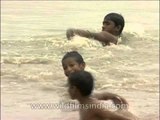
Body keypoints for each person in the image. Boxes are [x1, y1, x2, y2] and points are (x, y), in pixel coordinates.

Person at [61, 51, 128, 108]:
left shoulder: (88, 79)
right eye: (65, 68)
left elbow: (98, 94)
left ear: (82, 65)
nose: (68, 69)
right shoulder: (70, 83)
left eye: (72, 65)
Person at [68, 71, 136, 120]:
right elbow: (105, 95)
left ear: (74, 89)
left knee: (123, 113)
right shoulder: (88, 98)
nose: (68, 90)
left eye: (69, 86)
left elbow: (111, 115)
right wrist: (116, 96)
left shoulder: (93, 106)